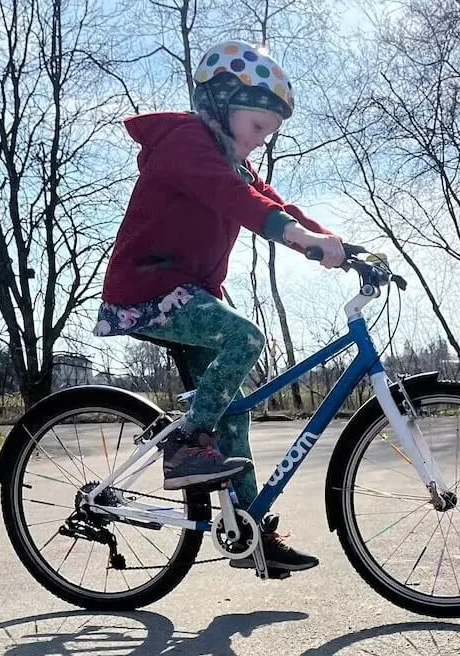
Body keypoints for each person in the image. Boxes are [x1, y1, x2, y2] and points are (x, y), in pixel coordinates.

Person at [92, 39, 345, 574]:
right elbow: (242, 205)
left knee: (236, 407)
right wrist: (300, 238)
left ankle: (248, 531)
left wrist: (337, 243)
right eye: (256, 128)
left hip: (189, 293)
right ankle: (186, 443)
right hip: (148, 290)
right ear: (222, 103)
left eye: (268, 134)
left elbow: (275, 203)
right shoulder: (186, 142)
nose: (260, 142)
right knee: (245, 338)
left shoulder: (233, 161)